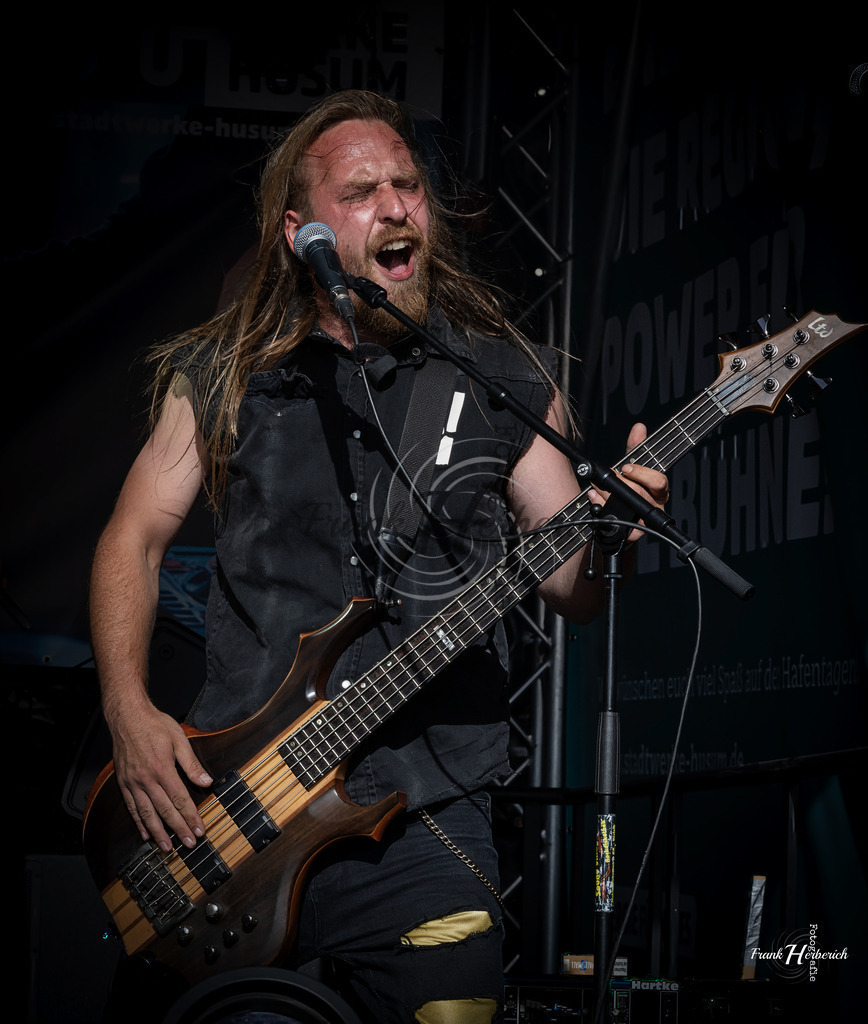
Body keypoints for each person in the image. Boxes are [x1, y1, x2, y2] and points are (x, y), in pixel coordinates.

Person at [89, 90, 668, 1022]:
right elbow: (133, 537)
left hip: (427, 817)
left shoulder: (508, 380)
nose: (397, 206)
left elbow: (574, 587)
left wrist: (614, 542)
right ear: (301, 231)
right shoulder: (229, 373)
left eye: (408, 186)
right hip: (237, 805)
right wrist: (127, 709)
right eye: (361, 192)